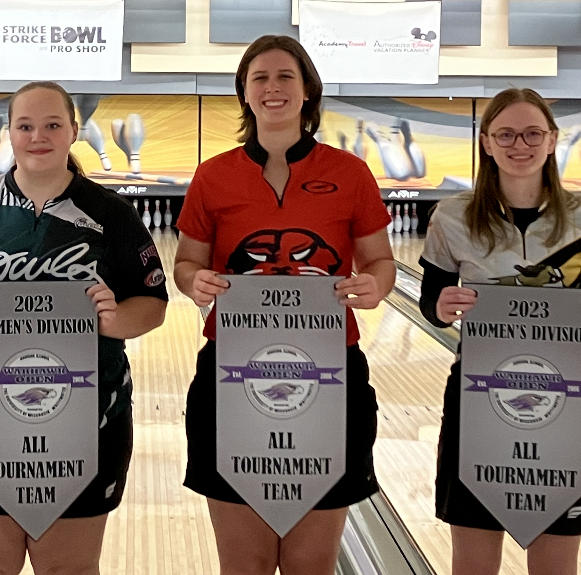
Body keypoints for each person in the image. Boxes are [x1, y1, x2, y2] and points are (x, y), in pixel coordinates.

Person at [0, 81, 168, 575]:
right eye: (25, 125)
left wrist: (116, 319)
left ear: (74, 131)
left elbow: (152, 302)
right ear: (9, 132)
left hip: (89, 417)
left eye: (53, 125)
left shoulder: (112, 215)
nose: (38, 136)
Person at [173, 35, 394, 574]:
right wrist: (195, 282)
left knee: (310, 565)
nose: (273, 88)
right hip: (233, 372)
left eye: (285, 77)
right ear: (245, 94)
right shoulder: (214, 174)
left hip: (330, 372)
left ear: (307, 91)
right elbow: (184, 265)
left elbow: (381, 262)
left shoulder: (350, 173)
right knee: (242, 566)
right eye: (260, 79)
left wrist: (375, 287)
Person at [419, 88, 581, 575]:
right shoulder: (451, 217)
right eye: (506, 134)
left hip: (562, 404)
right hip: (478, 397)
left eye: (533, 133)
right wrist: (442, 307)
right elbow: (431, 301)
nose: (520, 144)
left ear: (552, 140)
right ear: (486, 142)